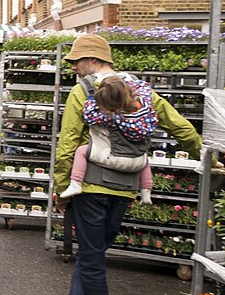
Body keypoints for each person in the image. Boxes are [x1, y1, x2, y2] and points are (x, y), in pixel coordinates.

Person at [54, 35, 201, 295]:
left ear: (93, 60)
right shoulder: (141, 90)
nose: (74, 67)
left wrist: (62, 190)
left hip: (90, 187)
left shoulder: (83, 91)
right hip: (125, 188)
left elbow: (68, 145)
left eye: (77, 61)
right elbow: (180, 127)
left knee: (92, 261)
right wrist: (206, 156)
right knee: (92, 256)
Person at [59, 73, 156, 205]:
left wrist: (91, 97)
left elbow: (89, 115)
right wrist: (129, 82)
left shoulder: (113, 117)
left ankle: (75, 183)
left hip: (113, 158)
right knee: (144, 159)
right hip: (136, 161)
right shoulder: (144, 107)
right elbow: (144, 88)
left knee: (81, 151)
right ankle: (146, 191)